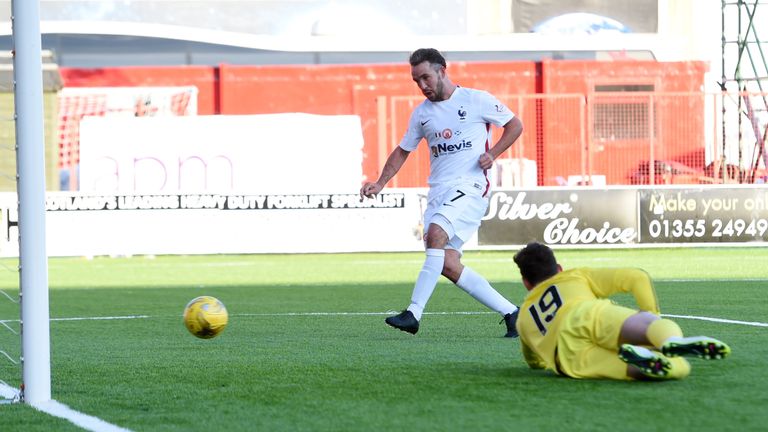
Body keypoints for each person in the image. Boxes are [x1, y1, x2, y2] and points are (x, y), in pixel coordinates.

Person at [359, 48, 523, 337]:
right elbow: (402, 150)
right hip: (439, 191)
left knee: (436, 233)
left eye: (425, 77)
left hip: (471, 187)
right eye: (416, 80)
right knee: (446, 263)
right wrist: (381, 182)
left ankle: (413, 313)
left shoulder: (476, 100)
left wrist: (493, 153)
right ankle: (512, 313)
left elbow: (514, 125)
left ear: (442, 71)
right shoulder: (421, 114)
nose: (422, 85)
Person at [512, 242, 731, 380]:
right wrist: (650, 316)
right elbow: (637, 277)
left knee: (668, 369)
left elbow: (533, 361)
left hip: (567, 357)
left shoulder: (523, 317)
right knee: (652, 329)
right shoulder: (574, 276)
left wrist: (540, 363)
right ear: (559, 269)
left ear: (526, 283)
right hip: (585, 313)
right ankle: (669, 340)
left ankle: (646, 361)